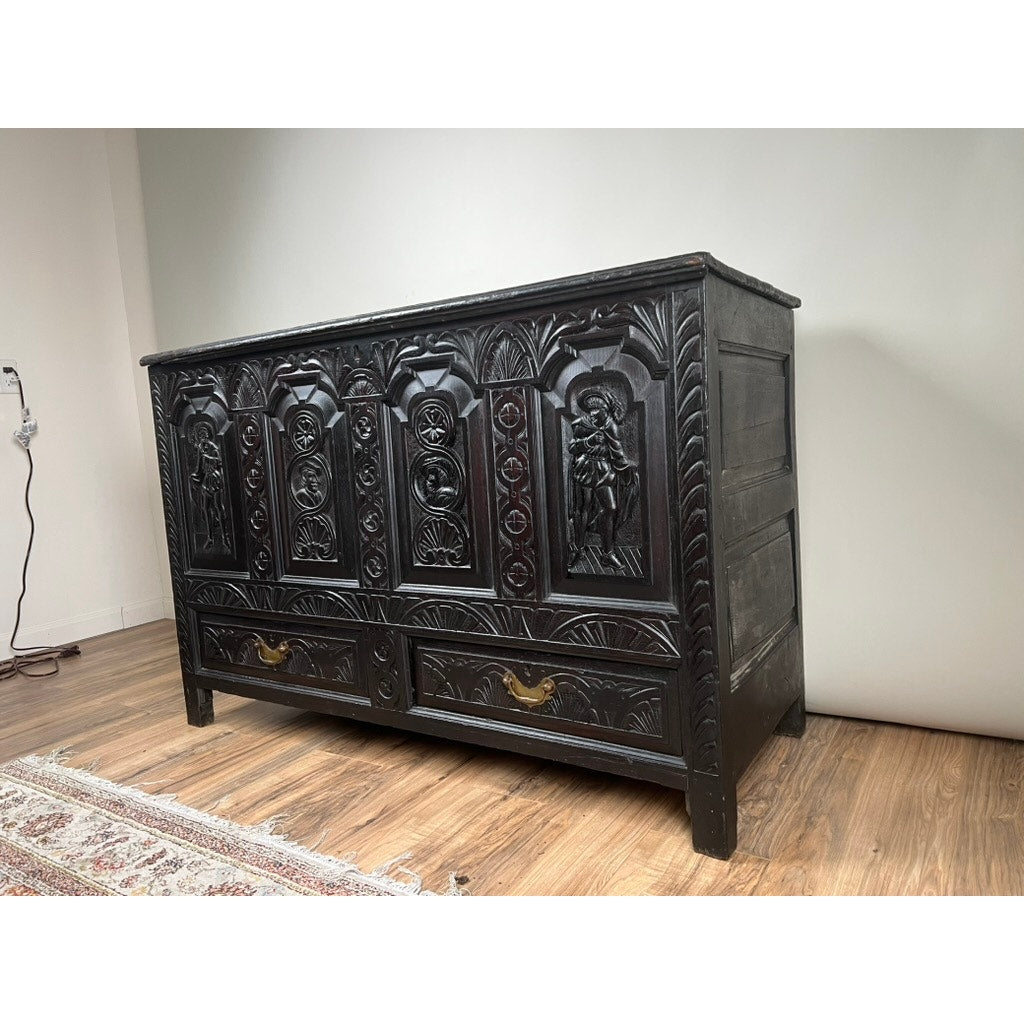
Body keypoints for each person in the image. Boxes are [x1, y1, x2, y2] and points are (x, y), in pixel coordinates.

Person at [567, 388, 638, 570]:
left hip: (603, 470)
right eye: (591, 409)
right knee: (582, 509)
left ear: (605, 410)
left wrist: (627, 470)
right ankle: (578, 549)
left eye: (597, 409)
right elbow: (572, 448)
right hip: (584, 468)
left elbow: (617, 451)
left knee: (610, 508)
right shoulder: (581, 424)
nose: (593, 412)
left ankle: (607, 554)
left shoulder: (610, 425)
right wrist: (588, 442)